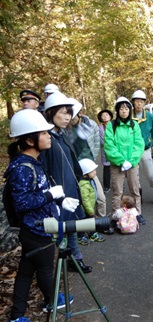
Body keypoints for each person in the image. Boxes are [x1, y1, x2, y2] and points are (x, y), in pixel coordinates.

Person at [5, 109, 77, 322]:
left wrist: (59, 200)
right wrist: (49, 195)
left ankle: (17, 316)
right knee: (45, 270)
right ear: (30, 140)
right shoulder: (22, 168)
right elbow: (22, 203)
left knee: (26, 273)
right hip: (36, 230)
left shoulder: (33, 162)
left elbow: (37, 193)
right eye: (43, 133)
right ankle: (52, 301)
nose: (48, 136)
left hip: (38, 226)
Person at [39, 91, 93, 274]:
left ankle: (74, 259)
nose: (67, 117)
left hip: (70, 189)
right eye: (62, 112)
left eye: (69, 112)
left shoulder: (62, 135)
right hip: (58, 193)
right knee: (63, 229)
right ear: (50, 113)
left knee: (71, 228)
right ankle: (67, 261)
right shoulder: (46, 139)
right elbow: (45, 169)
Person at [104, 97, 145, 224]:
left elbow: (139, 144)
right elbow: (109, 146)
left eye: (126, 108)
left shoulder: (134, 125)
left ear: (130, 110)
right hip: (117, 165)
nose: (124, 111)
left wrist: (131, 161)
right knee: (117, 192)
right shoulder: (112, 126)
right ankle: (116, 216)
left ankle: (137, 214)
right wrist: (122, 161)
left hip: (132, 164)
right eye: (121, 108)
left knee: (135, 190)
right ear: (117, 110)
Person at [67, 99, 107, 221]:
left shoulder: (91, 124)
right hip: (75, 169)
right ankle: (86, 225)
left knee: (100, 197)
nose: (71, 120)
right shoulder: (66, 129)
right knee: (82, 198)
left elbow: (96, 144)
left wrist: (91, 161)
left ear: (80, 113)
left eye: (73, 117)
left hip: (89, 168)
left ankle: (101, 221)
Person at [131, 90, 153, 208]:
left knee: (150, 173)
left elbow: (152, 131)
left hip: (145, 149)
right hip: (133, 151)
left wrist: (149, 141)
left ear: (144, 103)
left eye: (141, 101)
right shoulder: (129, 116)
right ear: (133, 103)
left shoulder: (149, 116)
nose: (139, 104)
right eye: (136, 101)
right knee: (134, 175)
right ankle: (138, 194)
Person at [78, 158, 106, 244]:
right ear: (85, 174)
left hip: (89, 206)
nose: (95, 172)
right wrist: (90, 210)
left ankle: (90, 234)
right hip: (85, 208)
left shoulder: (90, 181)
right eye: (92, 171)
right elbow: (85, 200)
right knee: (83, 222)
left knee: (88, 221)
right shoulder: (84, 185)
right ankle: (82, 236)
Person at [97, 109, 113, 193]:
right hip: (105, 151)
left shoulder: (114, 126)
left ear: (110, 117)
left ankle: (116, 185)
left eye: (106, 115)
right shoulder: (99, 128)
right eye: (103, 115)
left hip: (115, 150)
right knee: (106, 168)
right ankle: (106, 186)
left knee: (116, 169)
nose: (105, 116)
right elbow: (101, 140)